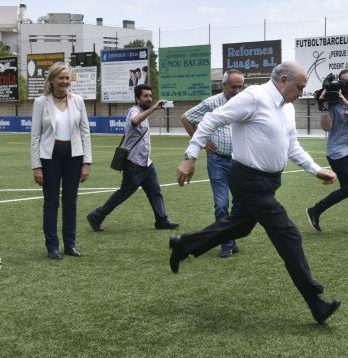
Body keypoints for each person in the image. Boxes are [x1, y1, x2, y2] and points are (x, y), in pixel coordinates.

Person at [170, 61, 342, 324]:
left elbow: (292, 145)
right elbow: (211, 120)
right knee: (289, 234)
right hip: (248, 180)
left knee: (240, 226)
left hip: (269, 182)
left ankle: (185, 245)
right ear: (283, 80)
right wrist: (190, 157)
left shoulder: (287, 108)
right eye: (300, 87)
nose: (301, 93)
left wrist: (315, 169)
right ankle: (315, 302)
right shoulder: (253, 97)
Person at [86, 84, 179, 232]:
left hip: (146, 163)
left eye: (150, 96)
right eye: (145, 96)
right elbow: (135, 121)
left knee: (155, 191)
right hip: (133, 164)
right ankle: (96, 216)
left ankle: (162, 220)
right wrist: (153, 109)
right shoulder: (133, 111)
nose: (149, 98)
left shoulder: (143, 112)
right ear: (137, 98)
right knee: (124, 193)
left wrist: (151, 109)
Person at [180, 69, 245, 258]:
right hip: (218, 160)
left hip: (240, 161)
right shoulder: (212, 103)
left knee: (240, 203)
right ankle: (226, 244)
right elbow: (186, 118)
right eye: (233, 87)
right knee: (221, 203)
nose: (237, 90)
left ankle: (230, 237)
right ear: (223, 85)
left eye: (240, 86)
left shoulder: (244, 101)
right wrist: (202, 141)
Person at [31, 62, 92, 259]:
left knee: (70, 202)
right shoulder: (40, 102)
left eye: (67, 78)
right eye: (61, 78)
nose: (65, 81)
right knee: (51, 203)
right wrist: (37, 166)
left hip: (74, 156)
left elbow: (85, 132)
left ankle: (70, 245)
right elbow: (35, 136)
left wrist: (86, 162)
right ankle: (52, 247)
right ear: (52, 80)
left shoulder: (78, 101)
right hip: (50, 157)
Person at [305, 69, 348, 233]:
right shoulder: (332, 103)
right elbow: (326, 127)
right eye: (344, 81)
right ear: (339, 84)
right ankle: (315, 210)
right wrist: (325, 107)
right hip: (337, 152)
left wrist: (346, 103)